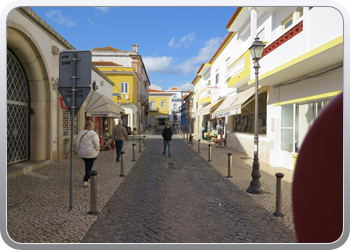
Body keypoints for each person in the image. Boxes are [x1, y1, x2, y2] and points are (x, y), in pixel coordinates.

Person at [75, 121, 100, 187]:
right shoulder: (93, 133)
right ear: (92, 126)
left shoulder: (81, 132)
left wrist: (79, 150)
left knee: (87, 165)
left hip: (82, 152)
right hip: (91, 152)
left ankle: (88, 177)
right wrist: (97, 149)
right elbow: (96, 144)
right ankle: (85, 180)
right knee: (89, 166)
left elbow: (77, 143)